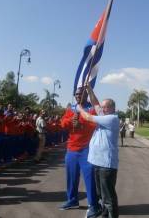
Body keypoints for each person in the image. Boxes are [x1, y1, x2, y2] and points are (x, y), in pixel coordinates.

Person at [77, 84, 119, 218]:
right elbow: (95, 104)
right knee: (101, 194)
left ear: (112, 108)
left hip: (106, 164)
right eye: (103, 106)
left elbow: (88, 117)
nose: (103, 109)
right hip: (97, 161)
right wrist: (89, 90)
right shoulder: (104, 115)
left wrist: (80, 109)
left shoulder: (112, 118)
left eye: (106, 107)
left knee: (108, 197)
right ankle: (105, 215)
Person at [58, 87, 101, 218]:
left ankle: (94, 205)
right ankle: (72, 200)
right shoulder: (71, 108)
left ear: (86, 95)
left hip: (87, 149)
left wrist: (81, 124)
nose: (77, 96)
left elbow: (95, 124)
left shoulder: (91, 108)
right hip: (72, 148)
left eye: (80, 94)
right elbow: (62, 123)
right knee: (71, 177)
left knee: (90, 178)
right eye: (76, 94)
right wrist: (70, 121)